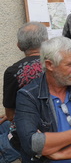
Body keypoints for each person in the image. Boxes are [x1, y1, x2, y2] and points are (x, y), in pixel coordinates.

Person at [1, 22, 48, 163]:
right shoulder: (57, 64)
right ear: (46, 42)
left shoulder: (12, 71)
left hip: (28, 132)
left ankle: (12, 155)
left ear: (19, 46)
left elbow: (10, 115)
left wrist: (11, 115)